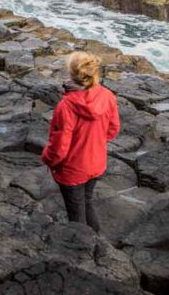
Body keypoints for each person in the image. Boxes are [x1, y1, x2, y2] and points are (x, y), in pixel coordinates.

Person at [40, 51, 121, 231]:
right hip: (96, 163)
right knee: (86, 201)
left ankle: (83, 250)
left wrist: (47, 159)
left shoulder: (66, 105)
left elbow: (60, 147)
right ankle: (96, 238)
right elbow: (113, 129)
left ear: (71, 73)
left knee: (76, 216)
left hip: (73, 169)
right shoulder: (107, 96)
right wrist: (95, 143)